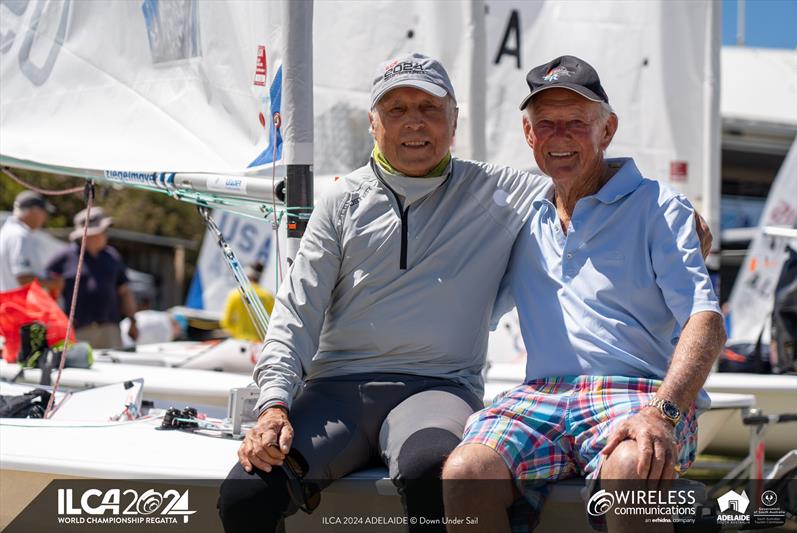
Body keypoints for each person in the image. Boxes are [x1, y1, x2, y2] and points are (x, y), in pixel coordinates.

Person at [217, 53, 711, 533]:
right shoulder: (343, 202)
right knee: (246, 495)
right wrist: (274, 403)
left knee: (433, 469)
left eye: (430, 109)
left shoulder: (501, 192)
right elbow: (294, 316)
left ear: (454, 123)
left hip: (443, 389)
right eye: (397, 110)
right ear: (373, 123)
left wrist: (684, 220)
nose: (415, 124)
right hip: (343, 390)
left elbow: (596, 185)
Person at [442, 55, 727, 533]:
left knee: (634, 466)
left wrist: (663, 412)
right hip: (541, 396)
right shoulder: (520, 217)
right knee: (465, 473)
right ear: (529, 136)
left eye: (577, 122)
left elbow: (706, 320)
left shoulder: (660, 208)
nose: (561, 136)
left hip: (638, 393)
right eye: (546, 124)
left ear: (607, 130)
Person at [46, 207, 139, 349]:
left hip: (110, 329)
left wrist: (133, 321)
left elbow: (125, 291)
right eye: (103, 231)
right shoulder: (64, 258)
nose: (106, 235)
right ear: (88, 234)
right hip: (78, 330)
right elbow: (46, 291)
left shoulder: (112, 256)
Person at [0, 190, 63, 294]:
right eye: (44, 212)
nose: (45, 218)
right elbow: (24, 277)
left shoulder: (6, 232)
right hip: (18, 305)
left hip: (7, 303)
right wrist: (52, 283)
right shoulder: (20, 235)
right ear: (35, 210)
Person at [219, 262, 275, 342]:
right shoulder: (269, 296)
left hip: (240, 343)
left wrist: (238, 333)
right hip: (260, 344)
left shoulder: (235, 294)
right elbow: (274, 322)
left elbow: (226, 322)